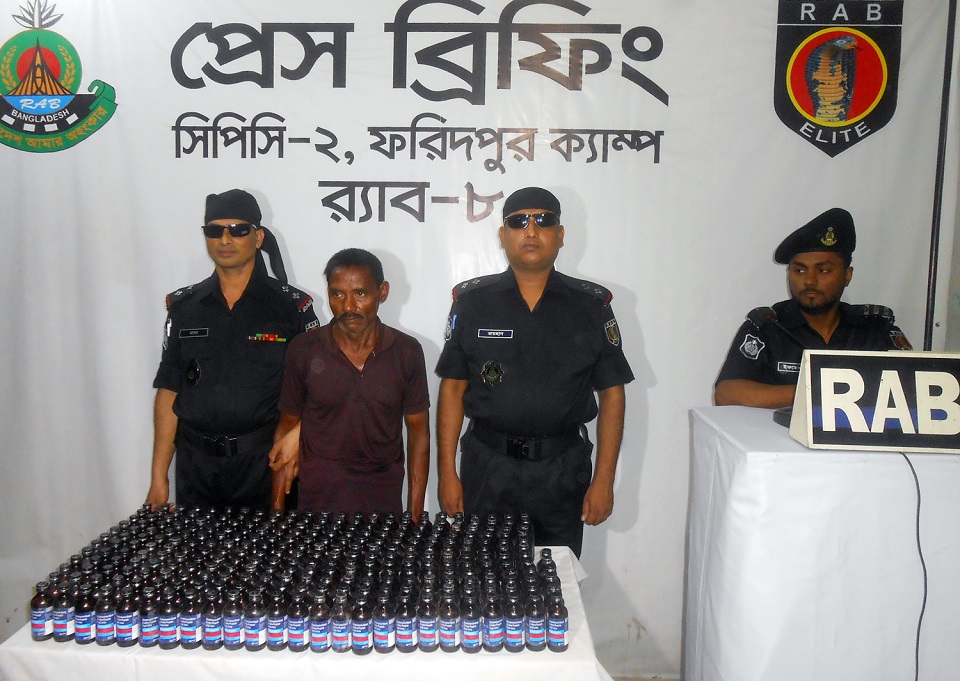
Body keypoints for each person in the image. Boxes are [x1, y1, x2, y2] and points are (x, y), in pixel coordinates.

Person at [434, 187, 634, 557]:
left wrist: (604, 479)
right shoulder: (473, 302)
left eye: (544, 220)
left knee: (557, 578)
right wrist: (447, 473)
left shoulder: (590, 305)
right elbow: (452, 388)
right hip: (488, 468)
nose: (530, 230)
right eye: (518, 221)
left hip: (561, 471)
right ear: (502, 235)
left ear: (561, 235)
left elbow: (612, 393)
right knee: (484, 578)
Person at [146, 189, 319, 510]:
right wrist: (159, 476)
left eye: (238, 230)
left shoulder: (291, 308)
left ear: (258, 237)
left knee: (269, 545)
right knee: (197, 545)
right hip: (196, 469)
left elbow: (318, 389)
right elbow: (170, 390)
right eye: (214, 231)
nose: (225, 239)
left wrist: (298, 439)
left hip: (266, 464)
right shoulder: (184, 307)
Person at [269, 248, 430, 520]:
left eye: (360, 294)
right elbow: (286, 429)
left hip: (382, 507)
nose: (348, 307)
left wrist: (414, 517)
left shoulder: (407, 351)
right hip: (317, 507)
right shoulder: (304, 350)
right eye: (337, 294)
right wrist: (277, 512)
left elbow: (419, 434)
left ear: (382, 292)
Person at [714, 207, 912, 408]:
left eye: (823, 270)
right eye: (799, 270)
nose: (809, 281)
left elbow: (915, 388)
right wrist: (817, 393)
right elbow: (726, 393)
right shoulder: (768, 326)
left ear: (847, 275)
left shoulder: (874, 329)